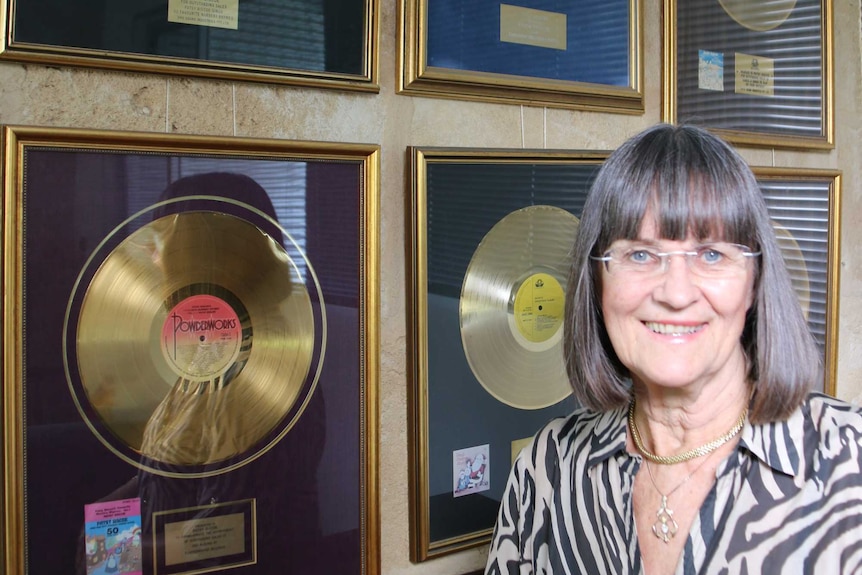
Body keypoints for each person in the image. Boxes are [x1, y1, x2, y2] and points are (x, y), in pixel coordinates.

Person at [484, 123, 862, 574]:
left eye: (711, 254)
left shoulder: (848, 462)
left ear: (754, 281)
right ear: (598, 281)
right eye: (641, 255)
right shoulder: (550, 466)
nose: (676, 294)